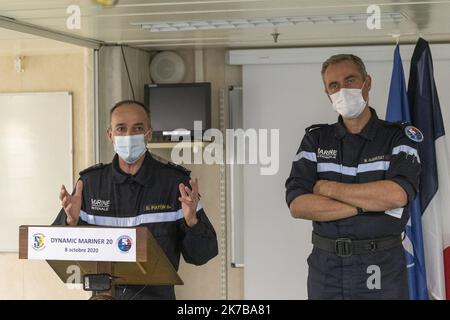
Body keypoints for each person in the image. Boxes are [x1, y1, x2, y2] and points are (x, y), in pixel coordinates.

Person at [285, 54, 421, 299]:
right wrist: (366, 204)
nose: (342, 90)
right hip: (325, 268)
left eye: (350, 80)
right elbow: (298, 205)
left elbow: (396, 194)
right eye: (334, 86)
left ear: (367, 83)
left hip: (381, 265)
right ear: (327, 93)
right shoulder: (316, 140)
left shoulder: (398, 137)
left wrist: (327, 188)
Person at [53, 100, 218, 300]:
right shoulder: (90, 184)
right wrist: (71, 222)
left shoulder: (175, 184)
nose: (129, 136)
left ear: (148, 133)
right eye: (121, 129)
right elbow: (58, 252)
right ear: (110, 135)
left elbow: (202, 255)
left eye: (137, 128)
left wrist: (192, 222)